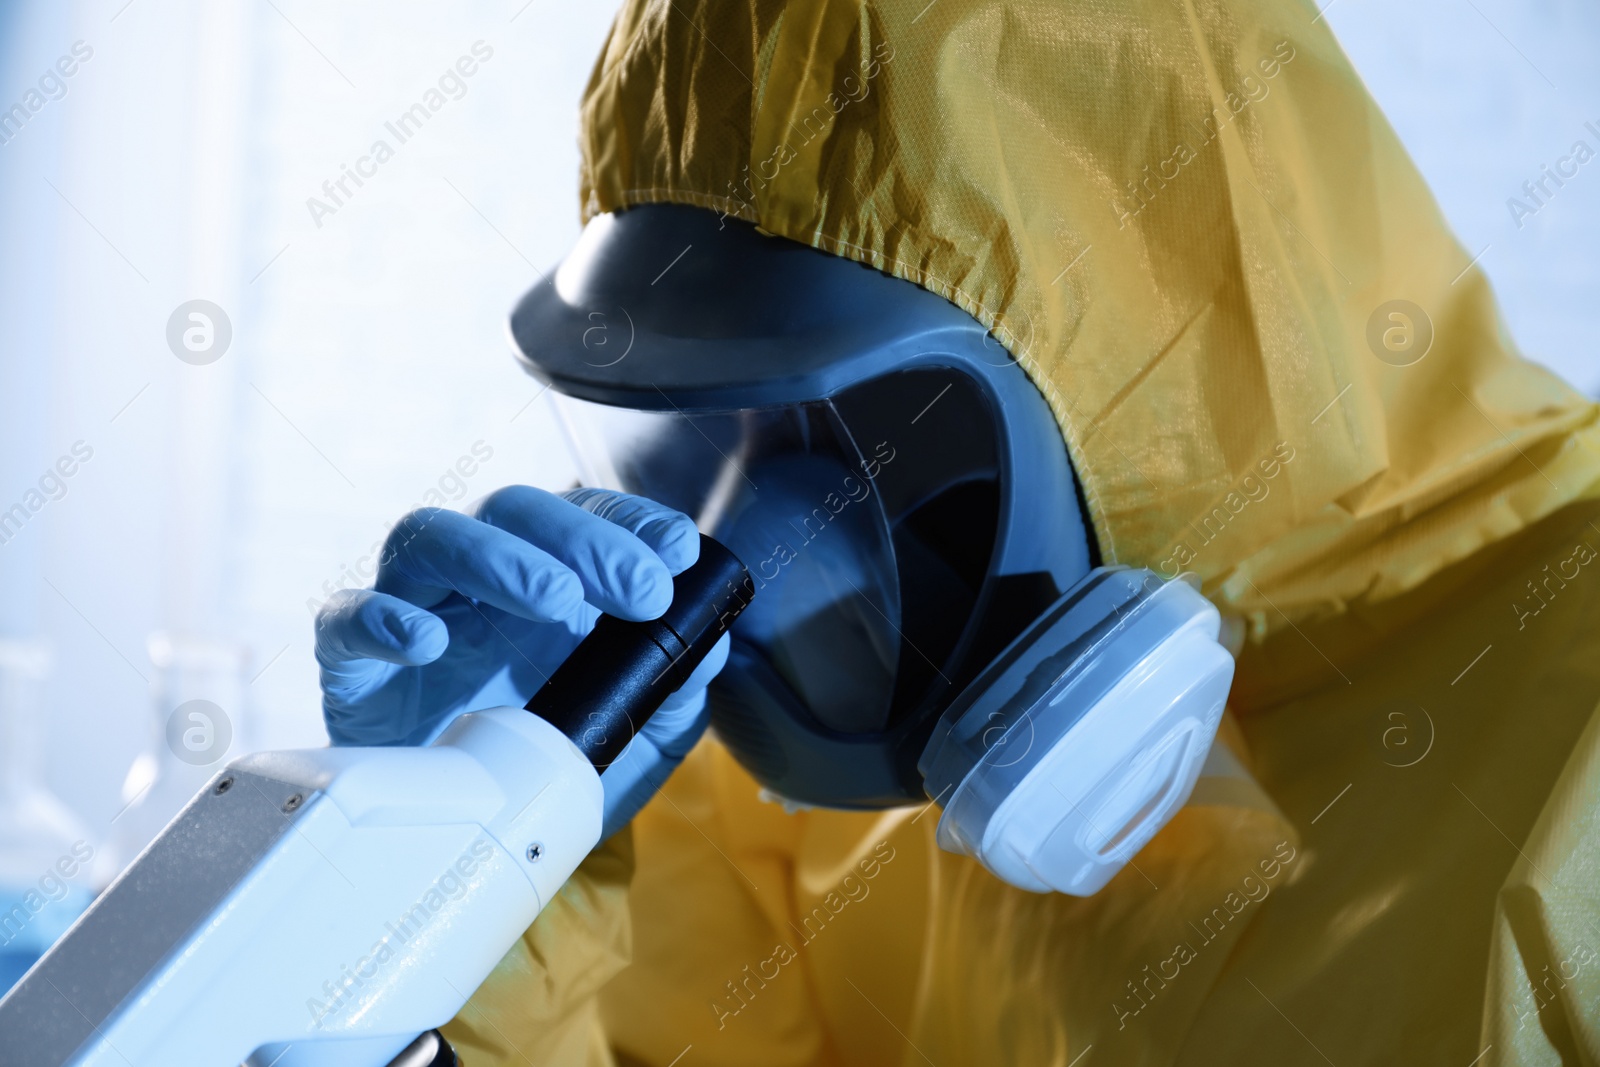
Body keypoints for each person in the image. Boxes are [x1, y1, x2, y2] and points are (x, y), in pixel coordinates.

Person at [314, 0, 1600, 1063]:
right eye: (702, 434)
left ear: (1153, 343)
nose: (747, 547)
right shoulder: (760, 797)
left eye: (856, 439)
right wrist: (443, 899)